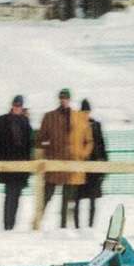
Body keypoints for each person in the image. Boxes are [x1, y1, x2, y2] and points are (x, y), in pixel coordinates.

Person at [38, 88, 90, 228]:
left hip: (73, 165)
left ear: (69, 99)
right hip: (54, 164)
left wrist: (81, 155)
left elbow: (88, 141)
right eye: (62, 97)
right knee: (46, 196)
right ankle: (37, 223)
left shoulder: (80, 117)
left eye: (66, 98)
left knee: (67, 200)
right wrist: (48, 151)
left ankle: (64, 228)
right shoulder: (49, 117)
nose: (64, 100)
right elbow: (40, 139)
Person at [0, 95, 34, 230]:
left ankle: (11, 224)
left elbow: (29, 145)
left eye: (19, 105)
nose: (17, 107)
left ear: (22, 107)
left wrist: (28, 164)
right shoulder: (1, 121)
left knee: (16, 194)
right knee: (10, 193)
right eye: (15, 105)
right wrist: (2, 159)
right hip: (7, 164)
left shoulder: (25, 122)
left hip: (22, 165)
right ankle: (8, 225)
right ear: (12, 106)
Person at [76, 98, 107, 228]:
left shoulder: (96, 125)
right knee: (77, 199)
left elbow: (101, 144)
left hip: (94, 167)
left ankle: (90, 226)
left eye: (87, 111)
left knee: (92, 199)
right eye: (84, 111)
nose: (85, 114)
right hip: (80, 167)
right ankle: (77, 226)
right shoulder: (76, 125)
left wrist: (103, 165)